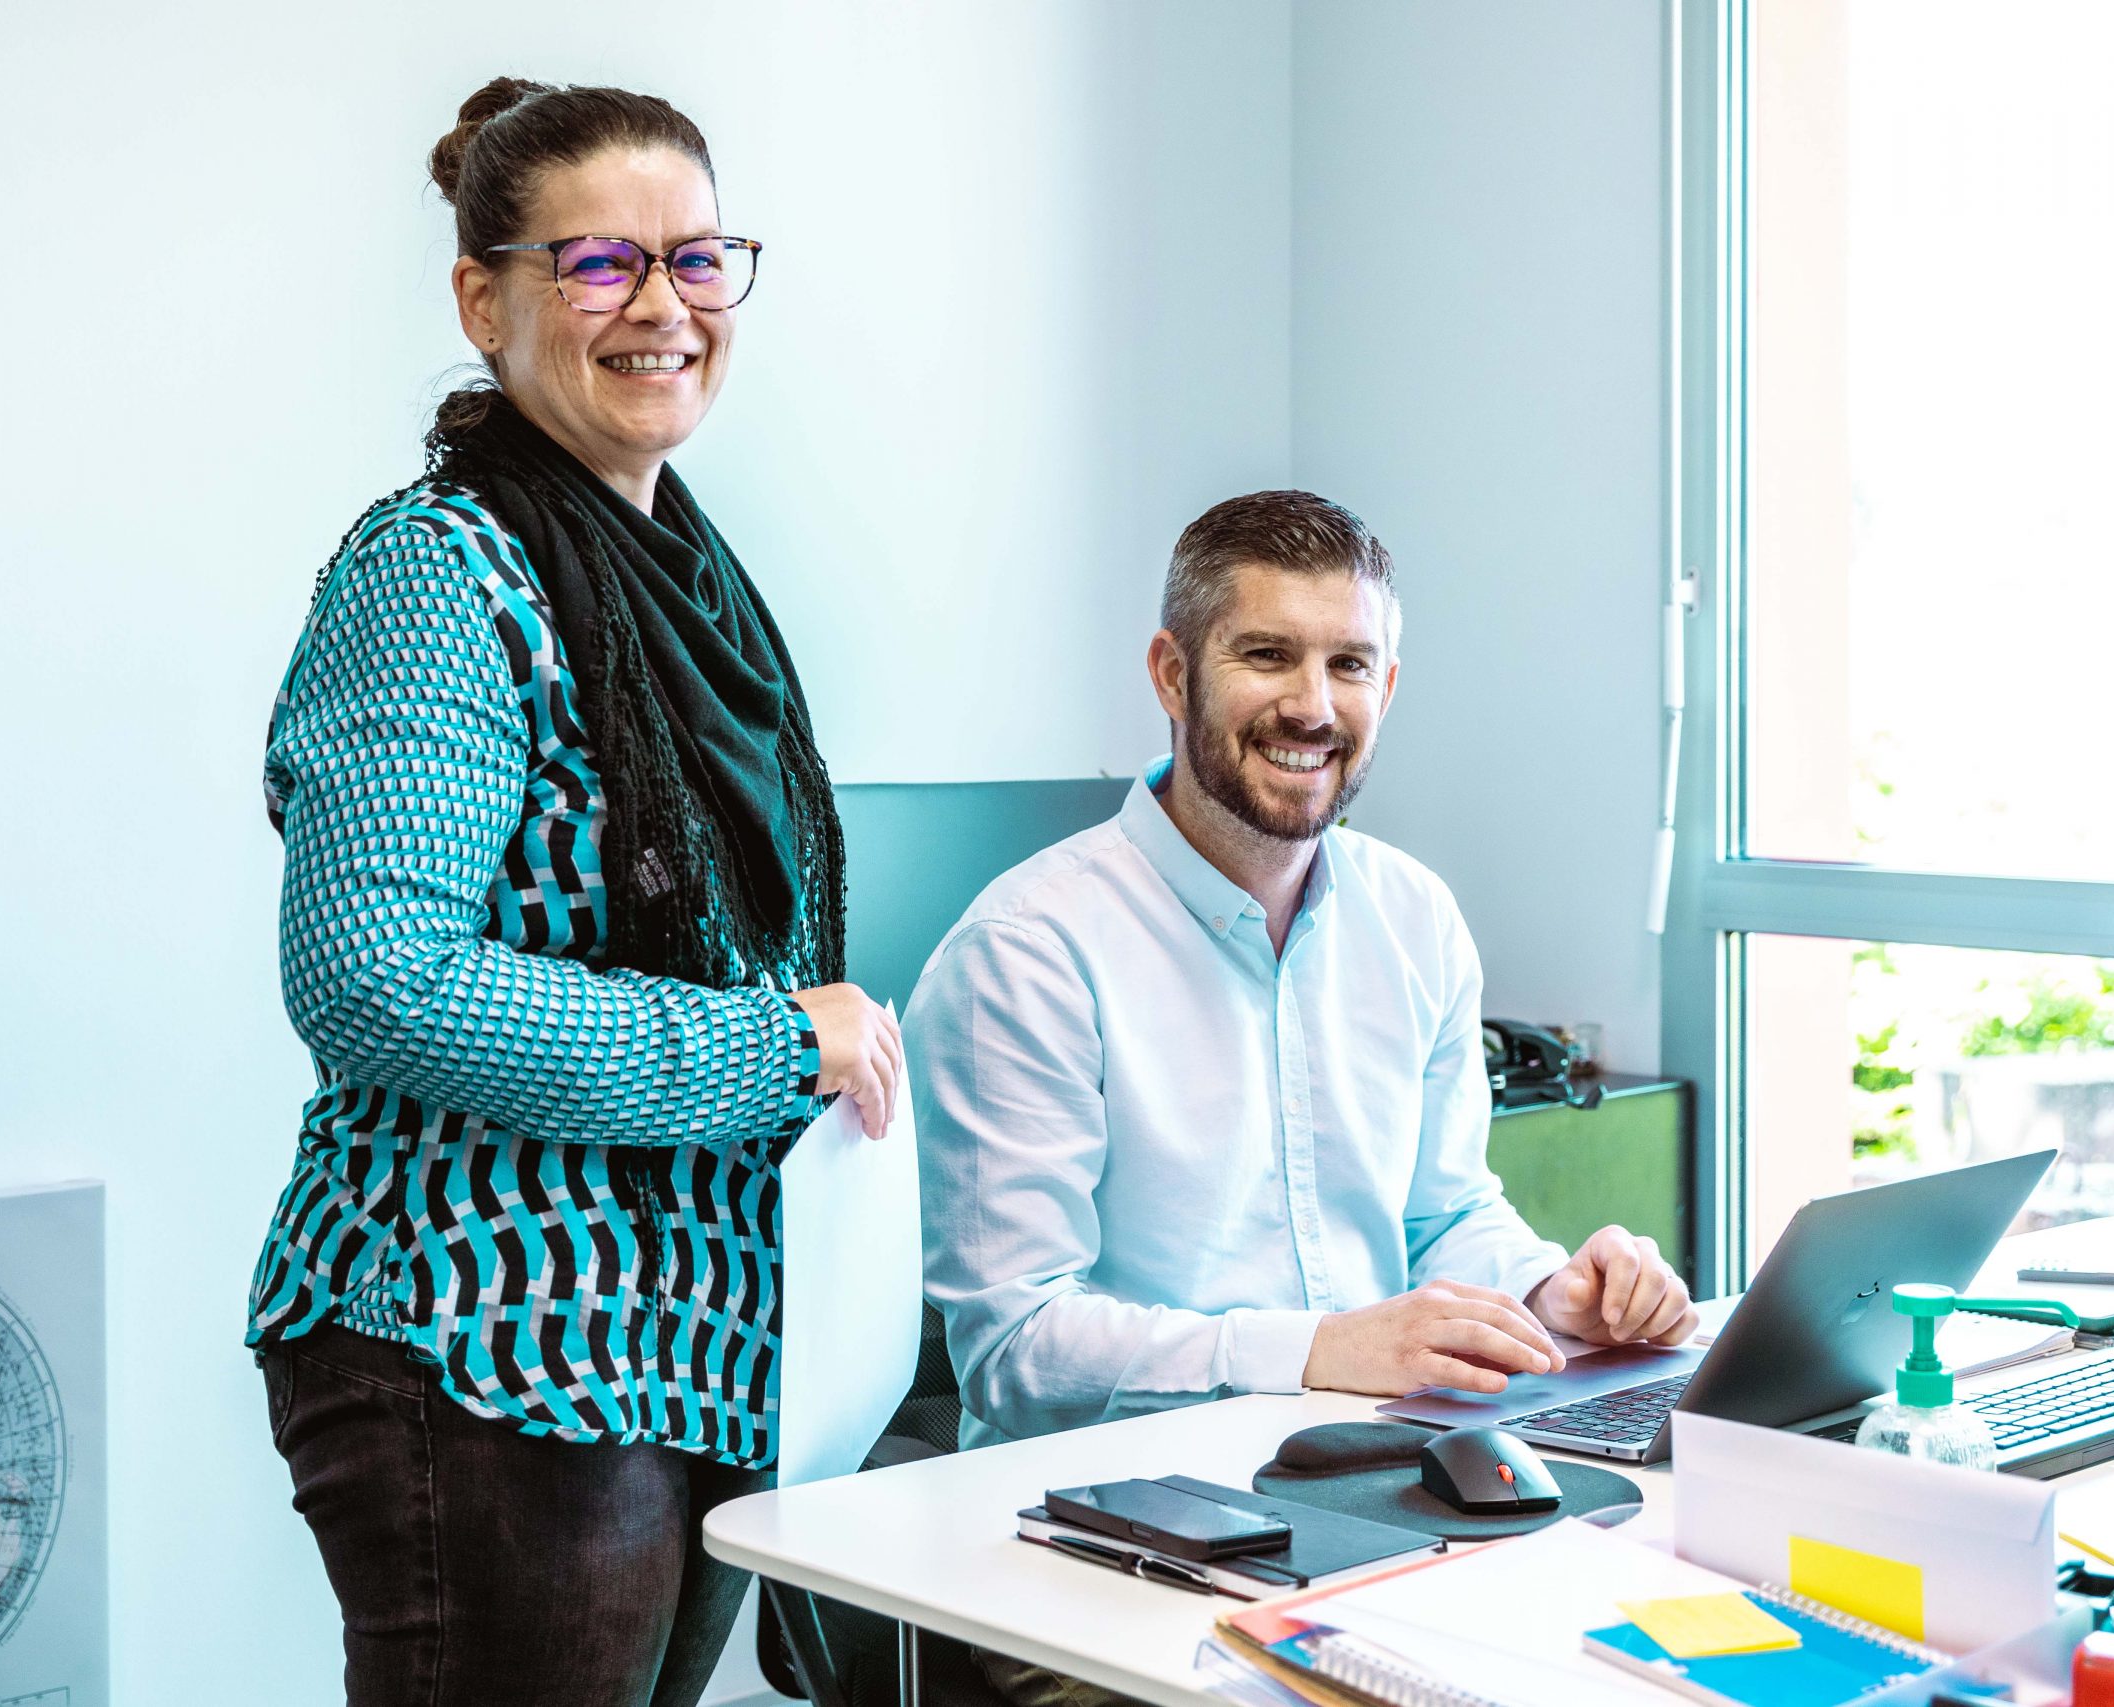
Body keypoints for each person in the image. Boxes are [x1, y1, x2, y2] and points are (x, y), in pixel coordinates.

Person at [248, 79, 902, 1707]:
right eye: (601, 262)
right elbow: (380, 978)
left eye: (699, 259)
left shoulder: (685, 572)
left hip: (678, 1349)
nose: (663, 306)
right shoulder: (440, 571)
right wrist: (771, 1047)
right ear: (485, 298)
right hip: (488, 1338)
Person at [910, 489, 1697, 1461]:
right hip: (1115, 1501)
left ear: (1388, 687)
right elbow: (1017, 1350)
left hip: (1387, 1464)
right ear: (1171, 673)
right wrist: (1320, 1351)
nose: (1312, 708)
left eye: (1348, 665)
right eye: (1267, 655)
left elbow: (1441, 1213)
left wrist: (1546, 1293)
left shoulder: (1417, 918)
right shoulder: (1025, 954)